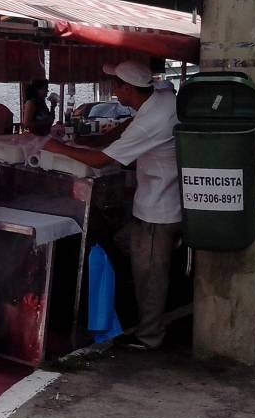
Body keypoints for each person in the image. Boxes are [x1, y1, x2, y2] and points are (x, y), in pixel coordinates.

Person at [42, 60, 181, 350]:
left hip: (157, 209)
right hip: (162, 200)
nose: (114, 92)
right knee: (124, 246)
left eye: (116, 86)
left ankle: (149, 337)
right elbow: (125, 129)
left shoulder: (150, 122)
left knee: (150, 275)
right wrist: (95, 139)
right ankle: (137, 313)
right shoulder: (162, 96)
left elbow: (102, 161)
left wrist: (58, 148)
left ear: (128, 88)